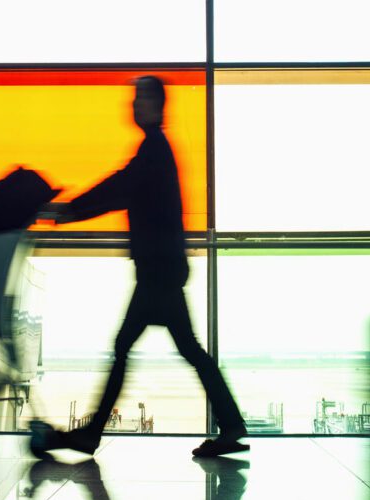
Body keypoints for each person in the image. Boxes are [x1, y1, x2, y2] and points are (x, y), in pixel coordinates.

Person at [40, 75, 248, 458]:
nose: (132, 105)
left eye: (139, 99)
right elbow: (122, 187)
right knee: (185, 350)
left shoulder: (153, 150)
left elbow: (119, 187)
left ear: (156, 105)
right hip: (162, 270)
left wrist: (68, 210)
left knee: (131, 347)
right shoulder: (156, 149)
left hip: (158, 273)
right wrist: (71, 211)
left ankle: (92, 434)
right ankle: (231, 424)